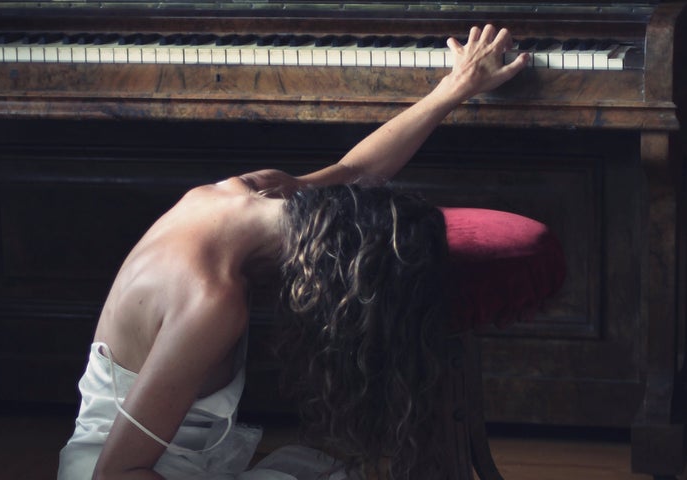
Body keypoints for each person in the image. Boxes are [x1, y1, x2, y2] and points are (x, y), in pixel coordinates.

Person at [58, 25, 528, 480]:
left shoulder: (241, 195)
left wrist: (452, 88)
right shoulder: (211, 302)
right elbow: (114, 472)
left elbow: (353, 169)